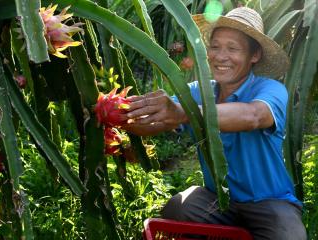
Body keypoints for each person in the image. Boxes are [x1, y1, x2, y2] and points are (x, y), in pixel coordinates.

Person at [121, 7, 307, 240]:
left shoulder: (271, 89)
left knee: (290, 236)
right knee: (177, 209)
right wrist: (118, 116)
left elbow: (253, 116)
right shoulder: (199, 92)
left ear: (255, 55)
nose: (220, 56)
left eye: (233, 48)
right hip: (218, 200)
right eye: (215, 46)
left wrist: (183, 112)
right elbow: (158, 121)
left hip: (269, 202)